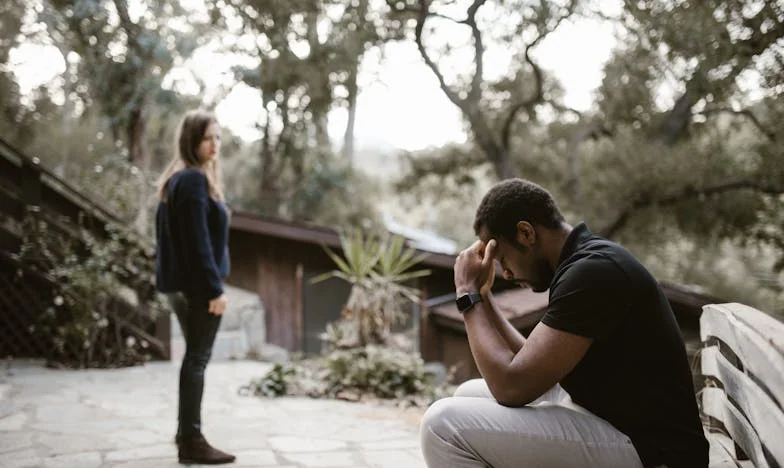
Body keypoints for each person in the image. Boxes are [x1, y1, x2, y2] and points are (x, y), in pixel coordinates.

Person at [420, 178, 708, 468]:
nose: (505, 273)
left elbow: (511, 387)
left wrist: (466, 296)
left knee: (443, 425)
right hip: (615, 420)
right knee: (468, 393)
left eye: (504, 258)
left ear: (525, 233)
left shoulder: (592, 272)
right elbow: (528, 364)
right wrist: (482, 294)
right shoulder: (582, 262)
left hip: (654, 451)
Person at [155, 109, 235, 465]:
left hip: (183, 288)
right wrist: (214, 289)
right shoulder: (191, 181)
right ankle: (191, 439)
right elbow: (197, 243)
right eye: (207, 138)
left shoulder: (180, 179)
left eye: (217, 137)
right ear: (191, 140)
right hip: (197, 290)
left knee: (194, 358)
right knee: (196, 360)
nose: (214, 144)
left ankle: (186, 434)